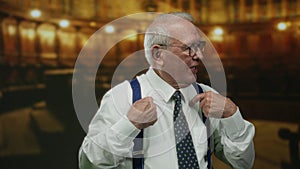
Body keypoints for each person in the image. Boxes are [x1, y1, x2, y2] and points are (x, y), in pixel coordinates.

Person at [78, 12, 255, 169]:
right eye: (188, 48)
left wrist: (233, 115)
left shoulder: (207, 96)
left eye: (199, 46)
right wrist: (128, 125)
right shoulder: (123, 96)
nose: (199, 56)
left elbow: (243, 163)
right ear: (158, 55)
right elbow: (89, 164)